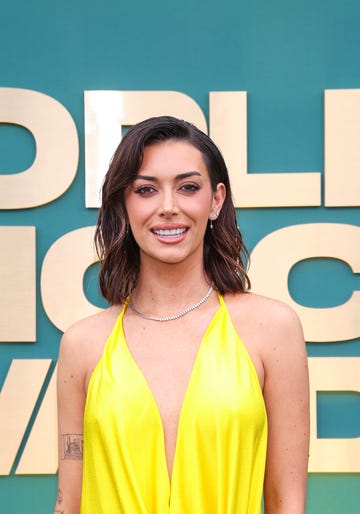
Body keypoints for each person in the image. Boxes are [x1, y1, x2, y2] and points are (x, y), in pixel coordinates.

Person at [54, 116, 309, 514]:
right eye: (146, 189)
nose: (168, 208)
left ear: (216, 200)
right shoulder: (82, 344)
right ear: (124, 204)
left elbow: (288, 504)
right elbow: (68, 504)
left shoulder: (272, 329)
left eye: (188, 187)